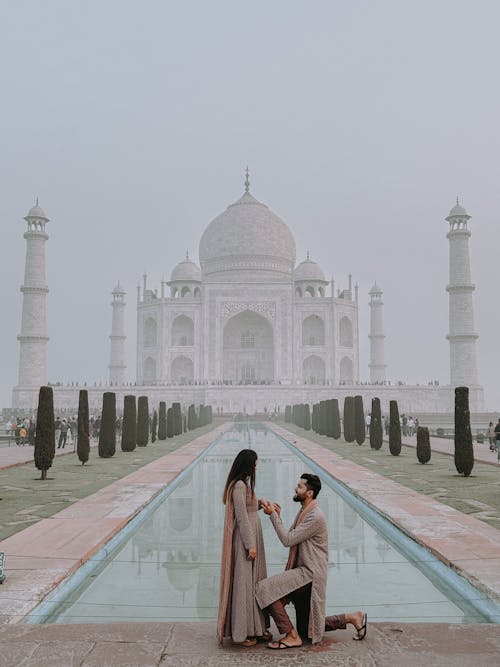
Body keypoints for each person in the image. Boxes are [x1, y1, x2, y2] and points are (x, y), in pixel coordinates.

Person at [256, 474, 366, 649]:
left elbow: (287, 540)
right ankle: (352, 617)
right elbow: (292, 536)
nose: (295, 489)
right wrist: (278, 515)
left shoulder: (315, 516)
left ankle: (291, 636)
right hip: (303, 571)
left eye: (300, 487)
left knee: (265, 589)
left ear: (309, 493)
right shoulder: (305, 511)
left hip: (309, 574)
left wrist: (273, 517)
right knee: (308, 626)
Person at [217, 449, 270, 647]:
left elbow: (248, 507)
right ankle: (242, 633)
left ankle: (254, 628)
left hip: (251, 537)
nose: (257, 466)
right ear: (248, 464)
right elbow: (241, 516)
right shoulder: (239, 486)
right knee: (244, 584)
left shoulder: (243, 485)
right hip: (245, 541)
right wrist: (250, 545)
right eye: (255, 462)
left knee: (252, 583)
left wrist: (263, 503)